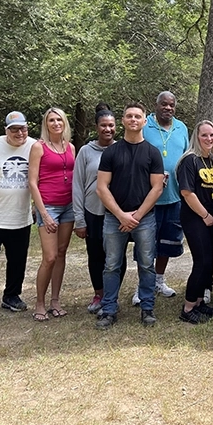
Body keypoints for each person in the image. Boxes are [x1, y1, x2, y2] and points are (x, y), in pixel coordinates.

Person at [95, 103, 164, 329]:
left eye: (138, 116)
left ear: (145, 121)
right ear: (123, 121)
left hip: (144, 218)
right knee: (111, 265)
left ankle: (147, 308)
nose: (133, 119)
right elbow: (102, 187)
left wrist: (136, 216)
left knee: (146, 264)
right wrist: (121, 215)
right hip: (115, 217)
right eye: (129, 116)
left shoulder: (152, 152)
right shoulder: (111, 152)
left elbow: (157, 188)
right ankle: (108, 309)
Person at [136, 91, 189, 304]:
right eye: (163, 104)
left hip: (174, 196)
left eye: (171, 105)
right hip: (148, 198)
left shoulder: (181, 128)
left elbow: (186, 159)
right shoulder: (144, 125)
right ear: (155, 105)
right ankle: (142, 286)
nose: (168, 108)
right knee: (145, 244)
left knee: (167, 242)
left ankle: (158, 280)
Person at [73, 109, 126, 314]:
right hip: (93, 212)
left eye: (111, 125)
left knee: (117, 256)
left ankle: (113, 295)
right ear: (96, 127)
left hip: (116, 213)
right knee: (96, 255)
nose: (108, 129)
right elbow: (77, 185)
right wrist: (80, 219)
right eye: (103, 125)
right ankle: (100, 294)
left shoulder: (122, 149)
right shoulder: (86, 151)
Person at [29, 108, 76, 321]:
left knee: (62, 252)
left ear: (65, 123)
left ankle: (55, 300)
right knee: (49, 257)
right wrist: (44, 214)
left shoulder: (71, 147)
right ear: (46, 124)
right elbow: (32, 182)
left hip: (68, 206)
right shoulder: (38, 147)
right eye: (51, 120)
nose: (56, 123)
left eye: (59, 120)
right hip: (49, 206)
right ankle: (39, 303)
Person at [176, 120, 213, 324]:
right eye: (204, 135)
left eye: (212, 135)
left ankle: (200, 302)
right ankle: (187, 307)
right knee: (201, 261)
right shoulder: (189, 160)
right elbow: (187, 192)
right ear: (196, 137)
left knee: (208, 260)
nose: (209, 139)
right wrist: (205, 215)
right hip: (196, 217)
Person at [0, 112, 36, 312]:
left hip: (20, 216)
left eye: (23, 129)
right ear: (6, 131)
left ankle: (11, 296)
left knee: (18, 260)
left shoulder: (34, 146)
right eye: (14, 129)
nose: (19, 133)